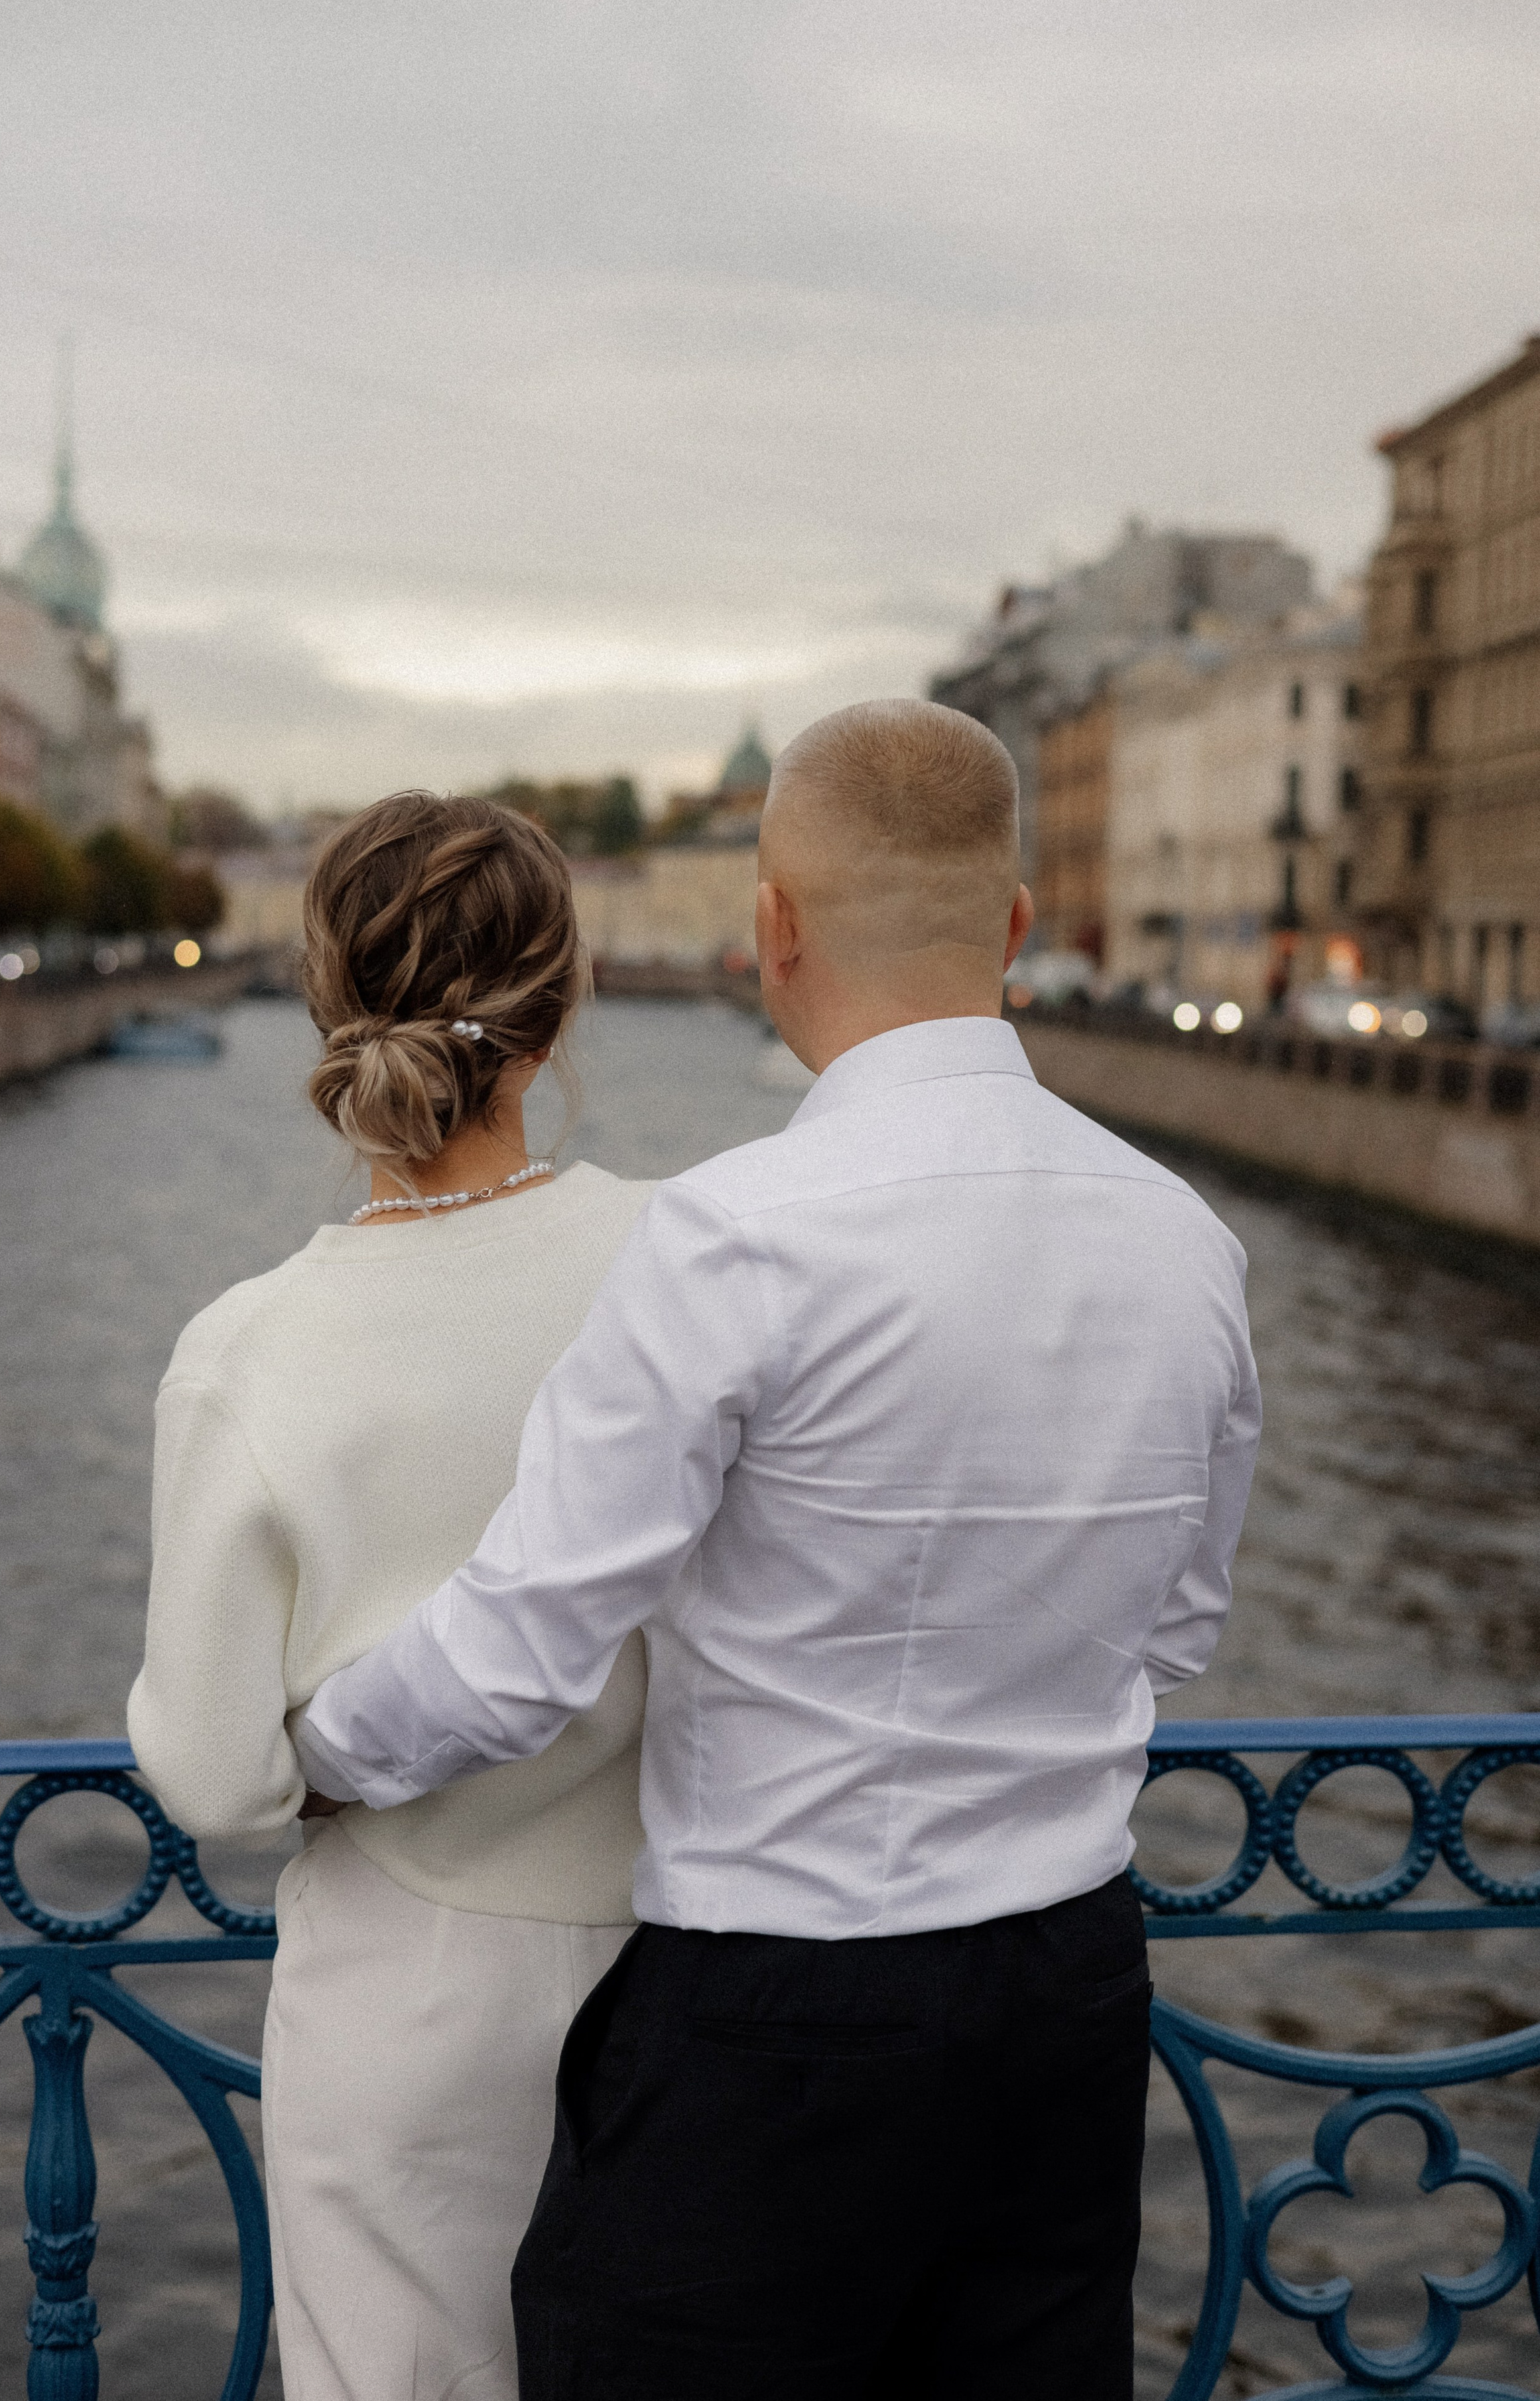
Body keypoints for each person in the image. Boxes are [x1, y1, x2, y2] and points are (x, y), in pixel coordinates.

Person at [294, 701, 1262, 2401]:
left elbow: (525, 1651)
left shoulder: (734, 1234)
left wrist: (302, 1752)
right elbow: (1177, 1626)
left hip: (775, 2022)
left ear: (774, 926)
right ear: (1018, 927)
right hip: (1063, 1998)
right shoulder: (1183, 1241)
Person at [127, 793, 653, 2401]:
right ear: (561, 1003)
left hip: (407, 1992)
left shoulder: (254, 1347)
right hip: (695, 1952)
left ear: (321, 996)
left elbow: (216, 1776)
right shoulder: (684, 1255)